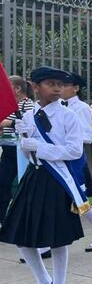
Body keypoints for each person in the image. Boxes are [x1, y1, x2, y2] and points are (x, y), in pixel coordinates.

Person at [0, 67, 89, 284]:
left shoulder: (68, 116)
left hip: (56, 181)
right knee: (21, 234)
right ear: (35, 86)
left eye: (60, 84)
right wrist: (25, 143)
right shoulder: (29, 116)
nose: (57, 88)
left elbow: (74, 151)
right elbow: (29, 154)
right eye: (51, 83)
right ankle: (43, 282)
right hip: (34, 178)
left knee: (58, 238)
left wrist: (38, 146)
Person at [60, 73, 92, 252]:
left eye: (64, 85)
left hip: (73, 159)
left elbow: (87, 136)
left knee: (79, 198)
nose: (60, 88)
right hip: (60, 157)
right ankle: (50, 241)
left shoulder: (81, 108)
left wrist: (66, 140)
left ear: (75, 88)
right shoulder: (57, 106)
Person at [0, 76, 36, 220]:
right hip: (8, 151)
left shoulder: (27, 105)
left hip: (23, 152)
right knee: (2, 183)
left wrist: (7, 123)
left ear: (17, 88)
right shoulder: (7, 106)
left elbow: (28, 126)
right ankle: (3, 219)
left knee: (25, 184)